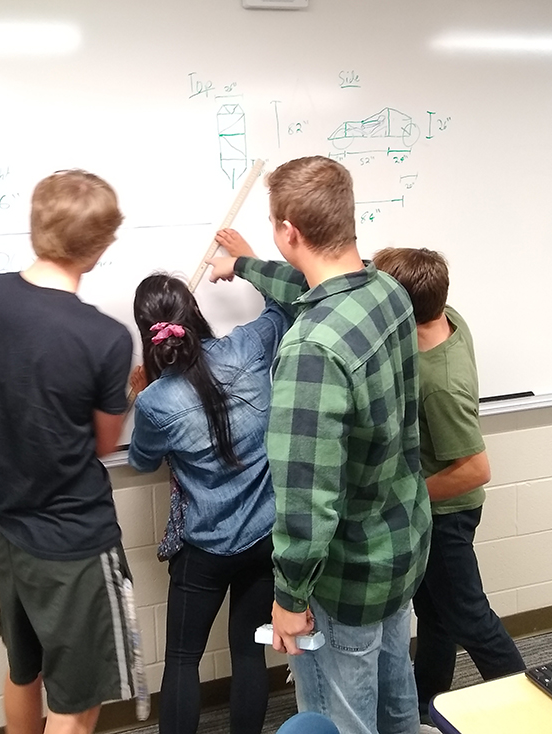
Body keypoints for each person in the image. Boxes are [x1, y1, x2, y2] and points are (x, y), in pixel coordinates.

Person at [208, 155, 432, 734]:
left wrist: (289, 596)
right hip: (398, 547)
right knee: (395, 700)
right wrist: (245, 265)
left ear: (290, 232)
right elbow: (312, 287)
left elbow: (308, 499)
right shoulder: (388, 291)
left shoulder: (311, 351)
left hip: (346, 571)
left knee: (340, 720)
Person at [0, 169, 147, 734]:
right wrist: (129, 389)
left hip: (3, 528)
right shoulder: (104, 338)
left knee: (23, 669)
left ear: (36, 226)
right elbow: (105, 445)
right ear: (100, 247)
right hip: (72, 541)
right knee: (77, 702)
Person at [127, 272, 293, 734]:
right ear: (194, 313)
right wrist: (246, 261)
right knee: (247, 651)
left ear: (148, 333)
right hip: (264, 536)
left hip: (205, 549)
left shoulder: (156, 402)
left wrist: (142, 393)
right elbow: (289, 304)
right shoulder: (246, 348)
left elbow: (142, 462)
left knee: (182, 660)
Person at [371, 247, 525, 725]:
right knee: (435, 614)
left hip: (446, 515)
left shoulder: (440, 383)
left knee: (468, 617)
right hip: (436, 511)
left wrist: (408, 497)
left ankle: (531, 705)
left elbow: (476, 468)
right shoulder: (445, 315)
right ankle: (427, 705)